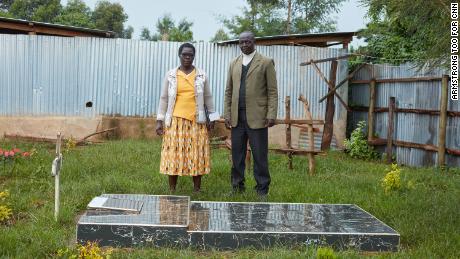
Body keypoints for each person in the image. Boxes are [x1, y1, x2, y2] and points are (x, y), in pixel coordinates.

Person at [156, 42, 219, 193]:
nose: (187, 57)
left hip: (197, 122)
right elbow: (164, 98)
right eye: (184, 54)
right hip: (175, 122)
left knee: (196, 154)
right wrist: (159, 120)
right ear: (179, 56)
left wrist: (213, 118)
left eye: (190, 55)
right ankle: (172, 189)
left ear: (193, 56)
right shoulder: (171, 75)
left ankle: (197, 190)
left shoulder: (201, 75)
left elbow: (208, 98)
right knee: (173, 155)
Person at [224, 31, 278, 197]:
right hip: (237, 117)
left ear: (254, 42)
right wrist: (227, 113)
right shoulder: (234, 63)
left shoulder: (266, 62)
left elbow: (272, 91)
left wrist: (271, 114)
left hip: (258, 116)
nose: (244, 45)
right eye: (241, 42)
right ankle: (237, 187)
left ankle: (262, 189)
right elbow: (229, 91)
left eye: (247, 42)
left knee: (259, 155)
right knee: (237, 155)